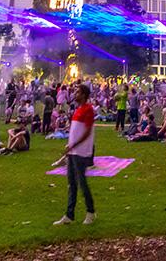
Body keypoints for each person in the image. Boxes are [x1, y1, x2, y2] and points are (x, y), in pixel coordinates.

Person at [53, 83, 96, 226]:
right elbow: (76, 130)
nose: (74, 94)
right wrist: (70, 144)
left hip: (81, 152)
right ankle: (69, 215)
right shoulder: (78, 109)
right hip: (73, 151)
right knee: (72, 184)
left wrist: (74, 144)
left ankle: (91, 212)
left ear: (83, 94)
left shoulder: (88, 109)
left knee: (82, 183)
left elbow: (87, 132)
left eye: (77, 92)